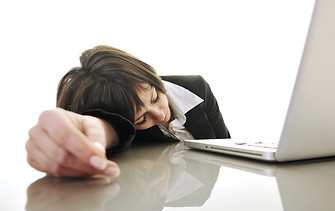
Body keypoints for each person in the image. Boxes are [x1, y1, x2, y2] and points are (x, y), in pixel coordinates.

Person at [25, 45, 230, 178]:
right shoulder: (122, 126)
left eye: (156, 97)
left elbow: (226, 146)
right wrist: (101, 129)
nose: (159, 115)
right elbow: (114, 130)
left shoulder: (197, 88)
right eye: (141, 119)